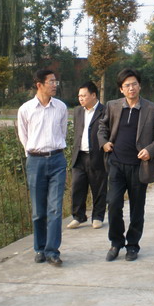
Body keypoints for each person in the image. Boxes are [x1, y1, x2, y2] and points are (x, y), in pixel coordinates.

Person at [98, 69, 154, 262]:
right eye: (127, 85)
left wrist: (150, 150)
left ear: (140, 86)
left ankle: (133, 245)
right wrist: (104, 143)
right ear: (121, 89)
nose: (131, 88)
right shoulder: (112, 106)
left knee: (137, 208)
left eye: (134, 84)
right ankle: (116, 242)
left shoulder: (153, 109)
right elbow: (102, 127)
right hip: (116, 164)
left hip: (139, 166)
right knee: (113, 204)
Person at [17, 69, 67, 267]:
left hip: (57, 160)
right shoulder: (26, 109)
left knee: (55, 208)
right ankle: (39, 248)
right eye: (51, 82)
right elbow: (24, 136)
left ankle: (52, 251)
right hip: (35, 161)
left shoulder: (61, 107)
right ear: (39, 85)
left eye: (56, 81)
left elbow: (62, 132)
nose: (55, 85)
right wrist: (33, 153)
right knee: (39, 210)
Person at [68, 81, 107, 230]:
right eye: (79, 96)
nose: (81, 98)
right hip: (79, 155)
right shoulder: (78, 111)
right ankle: (78, 216)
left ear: (94, 95)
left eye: (84, 95)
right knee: (77, 186)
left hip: (97, 155)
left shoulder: (105, 111)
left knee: (99, 187)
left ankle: (97, 216)